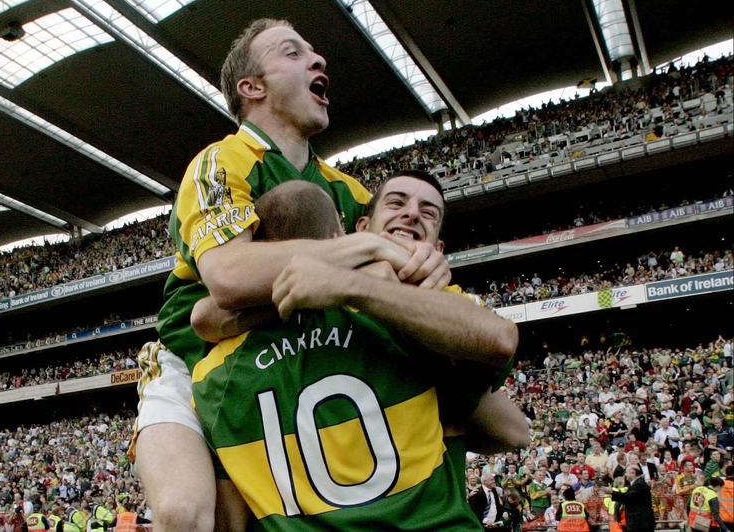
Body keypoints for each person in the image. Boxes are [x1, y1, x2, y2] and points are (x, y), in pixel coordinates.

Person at [131, 18, 441, 532]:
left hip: (294, 358)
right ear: (251, 88)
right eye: (293, 53)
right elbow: (228, 275)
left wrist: (425, 265)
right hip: (194, 364)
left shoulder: (353, 192)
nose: (318, 61)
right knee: (183, 513)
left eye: (315, 54)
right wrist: (363, 249)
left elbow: (406, 274)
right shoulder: (218, 163)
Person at [192, 177, 525, 529]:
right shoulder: (415, 325)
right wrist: (354, 283)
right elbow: (512, 423)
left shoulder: (212, 373)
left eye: (428, 212)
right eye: (396, 204)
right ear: (353, 232)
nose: (411, 215)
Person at [606, 466, 655, 532]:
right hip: (639, 523)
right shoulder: (636, 484)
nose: (625, 475)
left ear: (633, 473)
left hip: (640, 523)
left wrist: (612, 492)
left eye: (626, 472)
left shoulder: (639, 484)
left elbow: (629, 497)